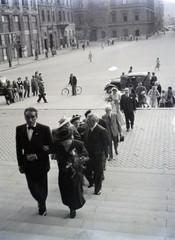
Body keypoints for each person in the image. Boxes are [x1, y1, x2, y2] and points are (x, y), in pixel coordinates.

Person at [16, 107, 54, 216]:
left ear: (36, 117)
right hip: (28, 165)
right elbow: (18, 148)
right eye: (27, 117)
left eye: (32, 117)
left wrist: (37, 156)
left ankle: (42, 205)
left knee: (42, 187)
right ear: (24, 117)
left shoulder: (44, 129)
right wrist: (20, 164)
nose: (30, 119)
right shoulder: (20, 129)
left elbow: (51, 148)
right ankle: (39, 200)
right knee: (32, 187)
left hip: (41, 164)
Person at [52, 128, 89, 218]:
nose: (64, 143)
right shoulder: (58, 145)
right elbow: (52, 154)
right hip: (63, 172)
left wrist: (78, 160)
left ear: (71, 138)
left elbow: (86, 156)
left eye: (66, 141)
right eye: (62, 142)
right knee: (65, 190)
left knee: (75, 189)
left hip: (75, 172)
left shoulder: (78, 144)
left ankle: (73, 208)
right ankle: (69, 205)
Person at [83, 113, 109, 195]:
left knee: (97, 172)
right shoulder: (88, 128)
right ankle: (92, 181)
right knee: (86, 170)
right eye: (87, 120)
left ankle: (97, 189)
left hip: (97, 155)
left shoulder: (102, 131)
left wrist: (104, 156)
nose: (87, 122)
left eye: (89, 121)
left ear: (94, 121)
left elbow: (106, 144)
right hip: (88, 154)